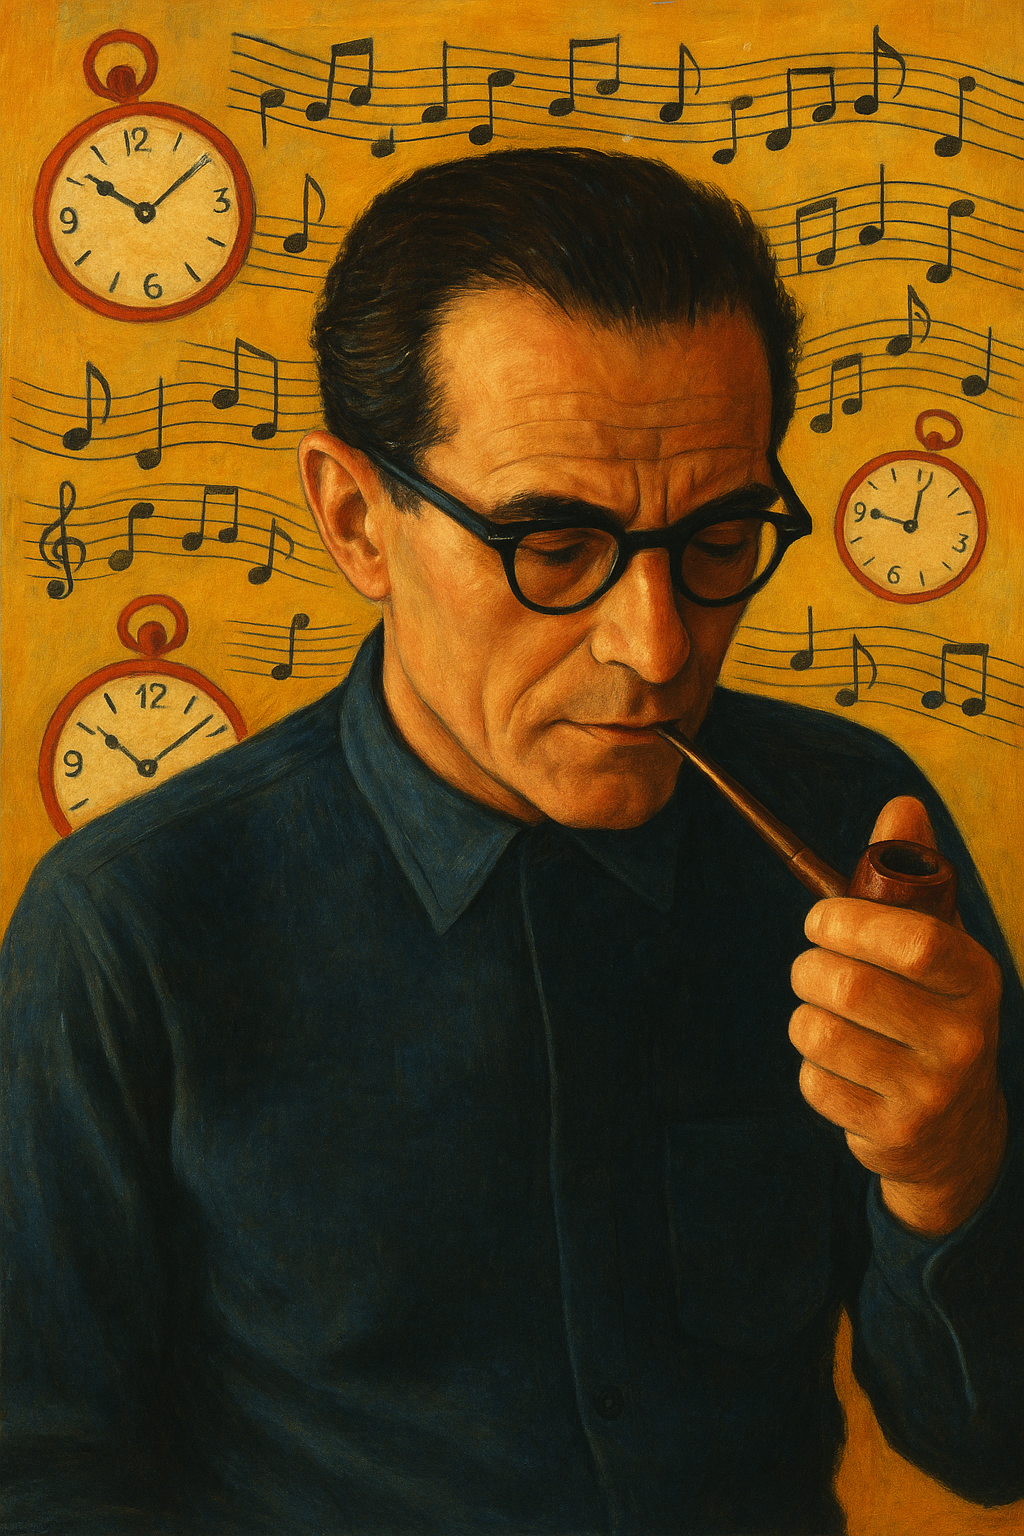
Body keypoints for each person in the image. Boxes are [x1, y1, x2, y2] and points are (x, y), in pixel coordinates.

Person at [2, 148, 1022, 1536]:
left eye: (720, 536)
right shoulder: (124, 929)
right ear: (357, 520)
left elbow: (990, 1450)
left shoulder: (861, 829)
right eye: (552, 543)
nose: (656, 649)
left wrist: (951, 1173)